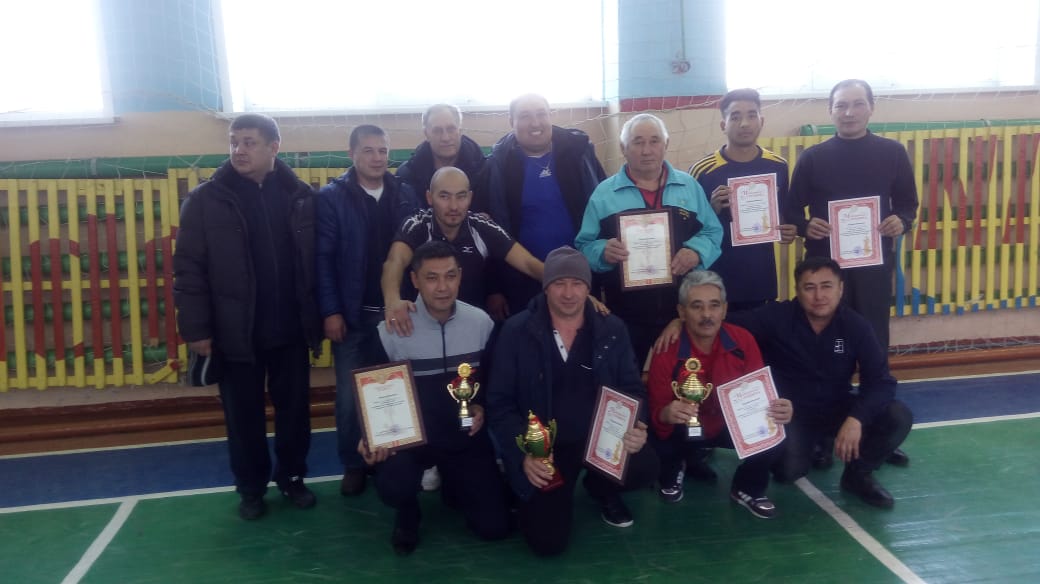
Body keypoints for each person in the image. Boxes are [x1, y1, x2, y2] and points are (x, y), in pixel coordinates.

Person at [174, 113, 322, 520]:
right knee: (243, 418)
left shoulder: (299, 195)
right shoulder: (205, 201)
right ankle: (251, 489)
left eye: (249, 142)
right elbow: (188, 269)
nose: (239, 150)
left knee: (295, 412)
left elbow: (314, 262)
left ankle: (292, 477)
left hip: (290, 329)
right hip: (234, 332)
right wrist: (197, 329)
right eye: (234, 141)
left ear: (274, 147)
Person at [487, 246, 658, 556]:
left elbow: (632, 387)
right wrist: (524, 454)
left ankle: (600, 486)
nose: (568, 293)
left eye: (577, 283)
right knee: (547, 543)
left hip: (600, 440)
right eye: (559, 283)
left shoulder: (612, 329)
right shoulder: (515, 331)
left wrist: (637, 424)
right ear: (545, 287)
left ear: (588, 287)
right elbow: (499, 404)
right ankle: (530, 490)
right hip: (545, 450)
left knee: (644, 465)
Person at [359, 241, 511, 555]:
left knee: (494, 527)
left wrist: (480, 405)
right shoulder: (390, 330)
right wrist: (370, 435)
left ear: (460, 276)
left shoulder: (481, 323)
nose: (443, 287)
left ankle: (454, 484)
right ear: (415, 280)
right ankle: (407, 511)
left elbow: (493, 383)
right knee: (394, 484)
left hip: (464, 437)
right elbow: (372, 395)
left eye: (450, 276)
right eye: (431, 278)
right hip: (412, 443)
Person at [727, 257, 913, 509]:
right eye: (809, 287)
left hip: (837, 409)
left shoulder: (856, 325)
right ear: (797, 290)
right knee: (787, 472)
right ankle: (814, 446)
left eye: (826, 286)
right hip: (791, 415)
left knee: (897, 415)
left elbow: (881, 381)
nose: (819, 296)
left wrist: (856, 419)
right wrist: (680, 321)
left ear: (840, 288)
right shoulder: (776, 316)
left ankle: (858, 475)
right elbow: (725, 322)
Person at [316, 124, 420, 496]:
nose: (377, 158)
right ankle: (354, 464)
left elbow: (417, 253)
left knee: (397, 390)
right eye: (369, 150)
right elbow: (323, 259)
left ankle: (393, 459)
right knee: (349, 397)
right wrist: (331, 311)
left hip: (399, 313)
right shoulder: (331, 198)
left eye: (383, 150)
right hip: (354, 314)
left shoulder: (406, 194)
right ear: (352, 154)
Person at [575, 112, 722, 363]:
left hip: (682, 310)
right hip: (625, 313)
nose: (646, 150)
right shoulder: (604, 193)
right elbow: (584, 245)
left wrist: (696, 251)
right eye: (638, 142)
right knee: (627, 378)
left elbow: (713, 231)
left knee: (684, 376)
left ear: (666, 145)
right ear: (623, 148)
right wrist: (602, 252)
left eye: (654, 141)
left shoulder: (689, 187)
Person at [785, 79, 919, 352]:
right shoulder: (812, 158)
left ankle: (875, 377)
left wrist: (901, 221)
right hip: (825, 265)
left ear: (871, 108)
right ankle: (830, 379)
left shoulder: (892, 152)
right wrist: (805, 226)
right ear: (830, 110)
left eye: (858, 104)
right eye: (841, 106)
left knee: (873, 333)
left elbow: (908, 205)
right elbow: (791, 211)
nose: (849, 113)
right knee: (829, 335)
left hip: (874, 263)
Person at [647, 270, 792, 517]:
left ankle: (747, 487)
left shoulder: (743, 340)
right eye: (696, 306)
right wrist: (666, 414)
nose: (707, 315)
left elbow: (758, 396)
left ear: (724, 309)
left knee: (776, 431)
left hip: (728, 425)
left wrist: (777, 410)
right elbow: (656, 411)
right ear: (681, 312)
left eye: (714, 306)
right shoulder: (666, 348)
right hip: (685, 428)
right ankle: (675, 467)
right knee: (654, 436)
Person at [473, 93, 607, 319]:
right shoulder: (497, 165)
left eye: (541, 114)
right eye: (525, 116)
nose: (535, 123)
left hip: (579, 276)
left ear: (550, 116)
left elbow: (604, 211)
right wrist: (494, 288)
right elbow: (487, 231)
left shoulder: (579, 153)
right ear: (511, 122)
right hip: (522, 282)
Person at [381, 166, 543, 337]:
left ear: (470, 197)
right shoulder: (417, 225)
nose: (454, 206)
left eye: (461, 196)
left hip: (472, 327)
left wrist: (558, 282)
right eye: (444, 196)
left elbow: (528, 263)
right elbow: (394, 262)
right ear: (429, 197)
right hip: (421, 328)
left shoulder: (481, 227)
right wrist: (392, 301)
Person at [689, 88, 797, 311]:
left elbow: (783, 216)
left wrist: (787, 231)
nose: (744, 124)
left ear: (761, 121)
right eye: (735, 117)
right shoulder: (702, 170)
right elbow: (689, 228)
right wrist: (712, 210)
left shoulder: (778, 165)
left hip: (761, 279)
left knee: (759, 331)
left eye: (751, 115)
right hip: (716, 280)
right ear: (723, 125)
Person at [395, 104, 487, 201]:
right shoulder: (406, 176)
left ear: (460, 131)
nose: (445, 138)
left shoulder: (484, 171)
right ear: (426, 134)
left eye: (451, 129)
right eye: (437, 131)